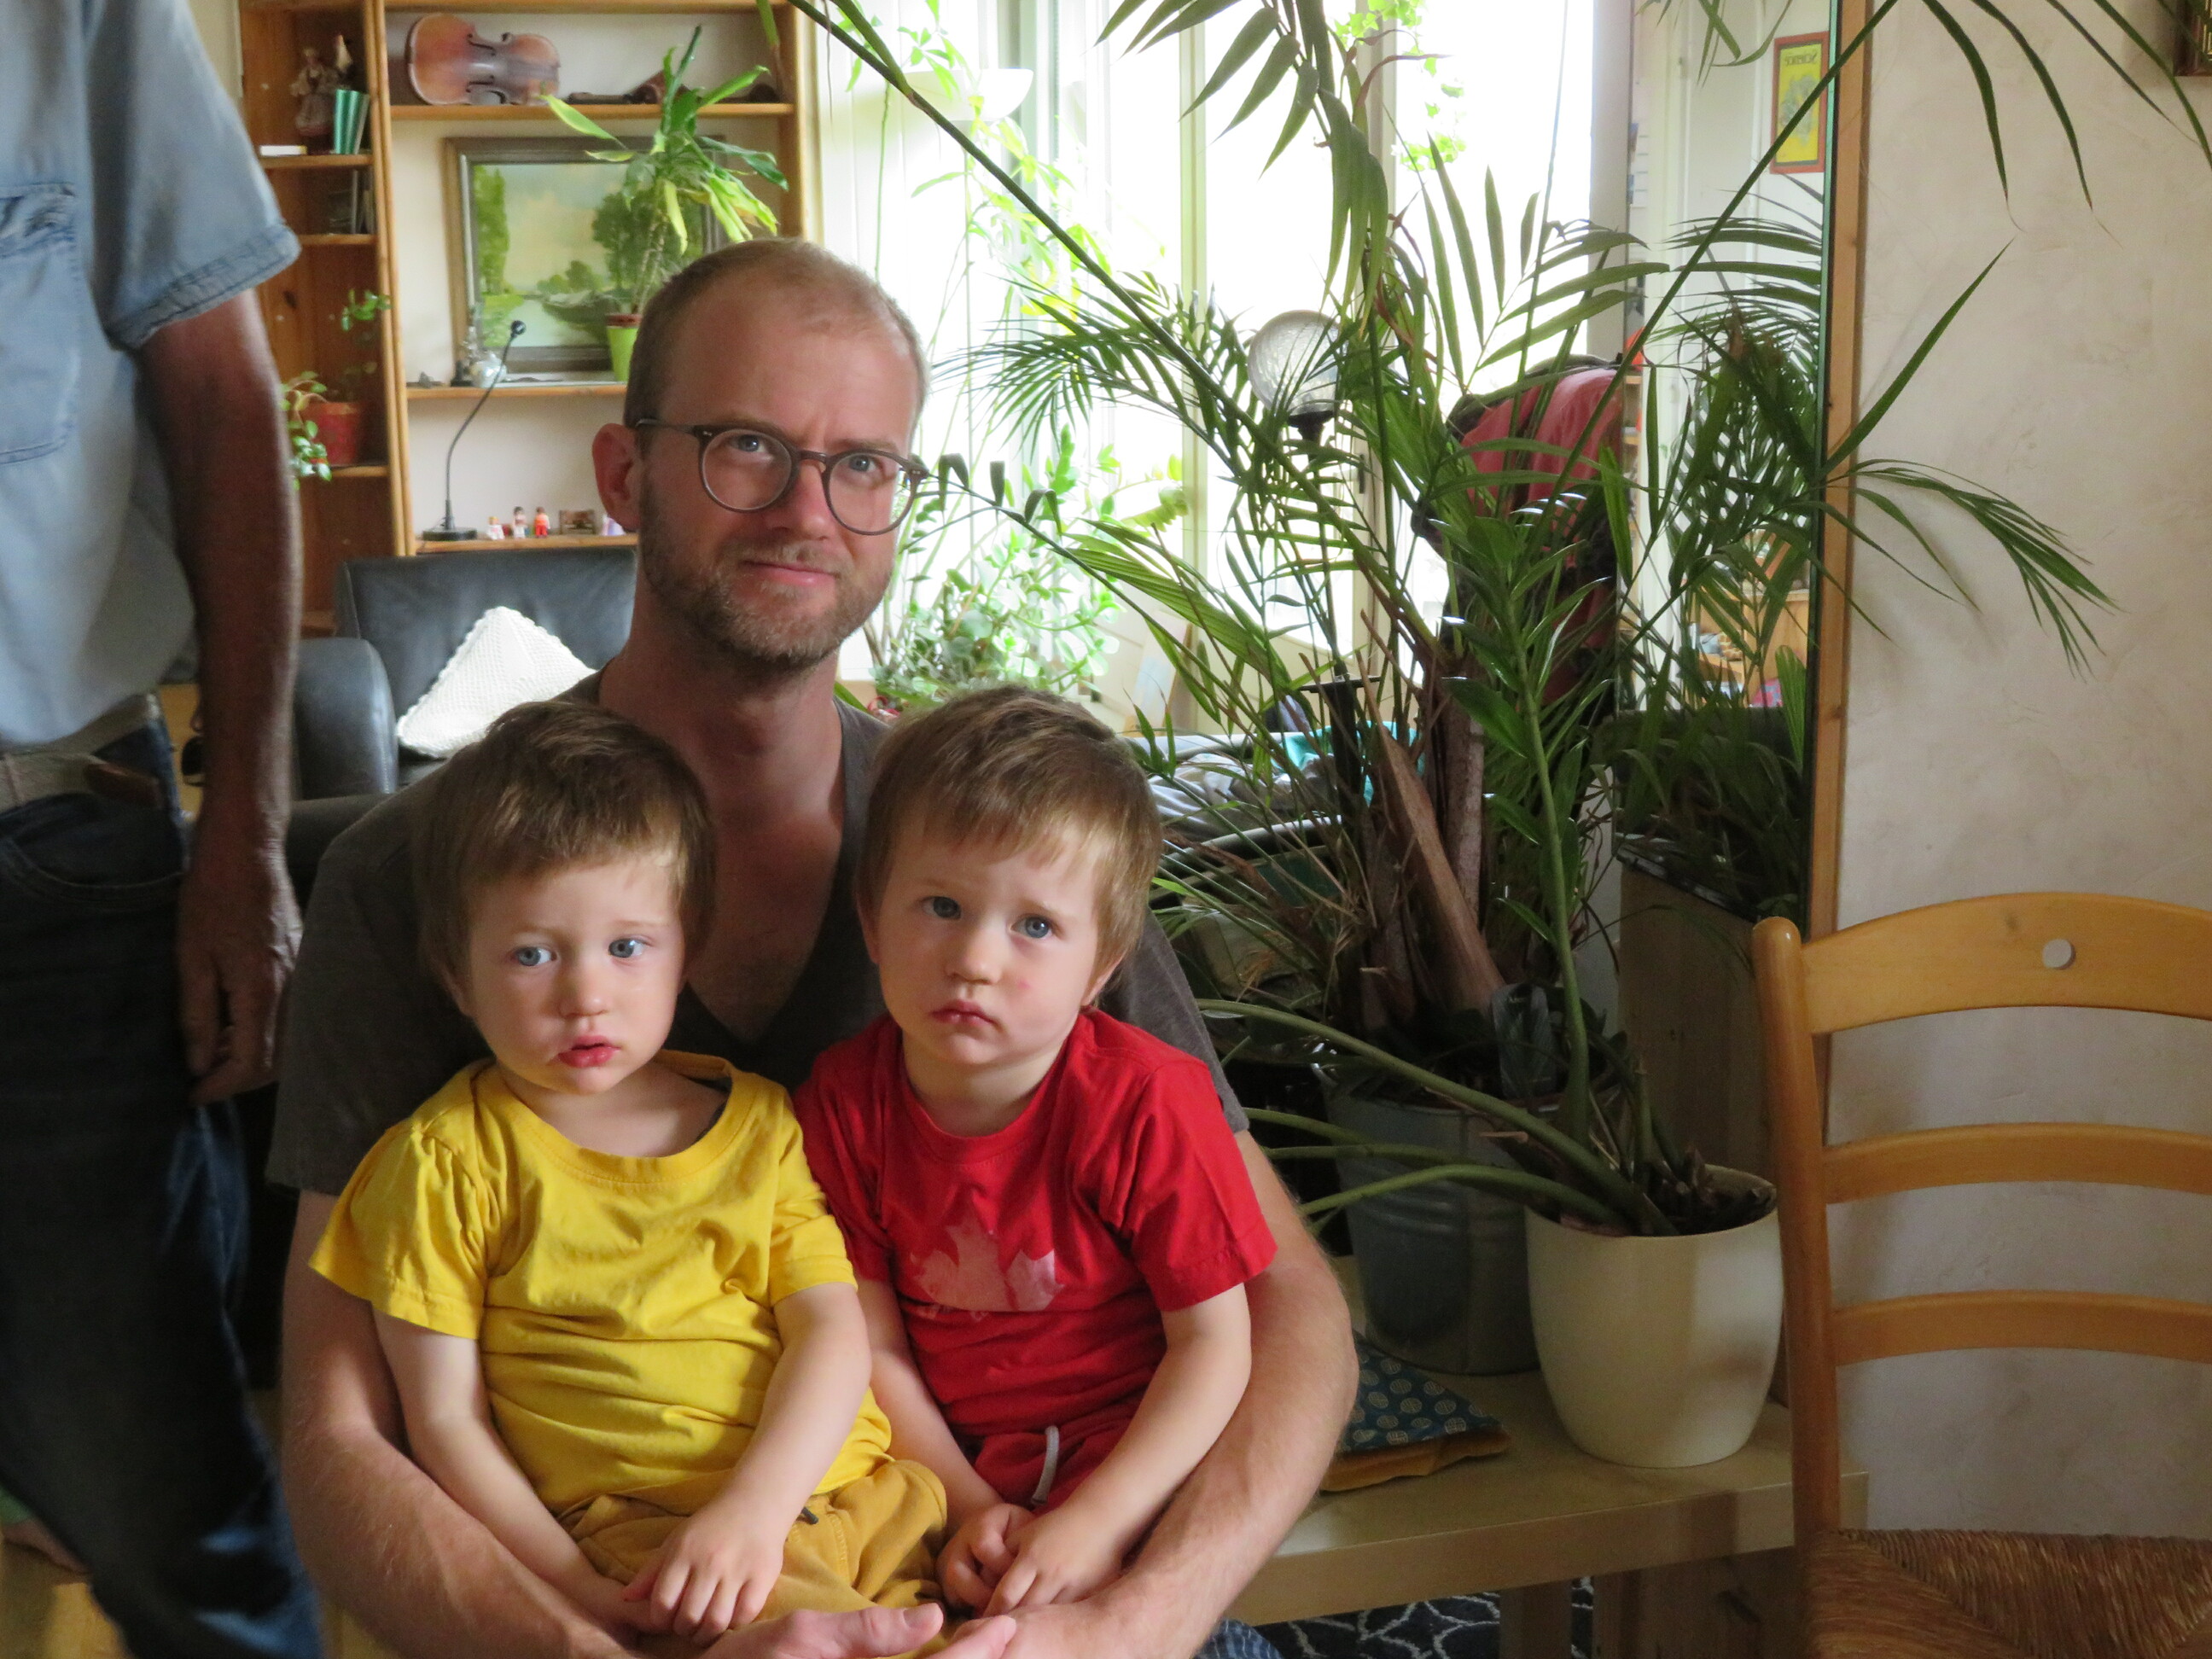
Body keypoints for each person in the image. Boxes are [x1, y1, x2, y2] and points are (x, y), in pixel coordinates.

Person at [271, 237, 1356, 1659]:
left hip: (1034, 1603)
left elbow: (1286, 1302)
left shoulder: (997, 853)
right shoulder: (424, 868)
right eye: (747, 447)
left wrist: (1134, 1622)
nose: (808, 509)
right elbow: (338, 1426)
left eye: (863, 466)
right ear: (623, 472)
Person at [313, 701, 952, 1649]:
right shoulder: (444, 1161)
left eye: (626, 947)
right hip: (653, 1538)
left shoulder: (761, 1123)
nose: (586, 996)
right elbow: (444, 1421)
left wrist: (758, 1509)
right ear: (456, 975)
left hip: (859, 1497)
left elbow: (831, 1328)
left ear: (684, 950)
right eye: (532, 954)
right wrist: (572, 1585)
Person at [0, 2, 322, 1656]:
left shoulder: (76, 23)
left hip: (49, 870)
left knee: (172, 1524)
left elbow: (223, 409)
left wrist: (247, 837)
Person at [796, 688, 1275, 1620]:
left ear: (1102, 968)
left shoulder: (1147, 1102)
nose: (976, 959)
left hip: (1140, 1472)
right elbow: (872, 1343)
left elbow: (1215, 1346)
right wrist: (969, 1506)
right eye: (942, 905)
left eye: (1036, 926)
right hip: (938, 1477)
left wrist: (1097, 1522)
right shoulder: (842, 1106)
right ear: (873, 920)